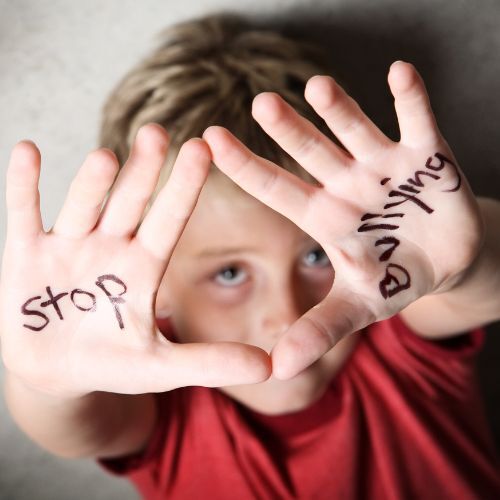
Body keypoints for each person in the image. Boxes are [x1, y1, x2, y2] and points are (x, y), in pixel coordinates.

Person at [2, 13, 500, 500]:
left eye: (315, 257)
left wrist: (467, 257)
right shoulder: (159, 402)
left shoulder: (396, 338)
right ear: (158, 290)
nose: (286, 315)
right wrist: (44, 383)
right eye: (230, 272)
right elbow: (76, 428)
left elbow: (478, 286)